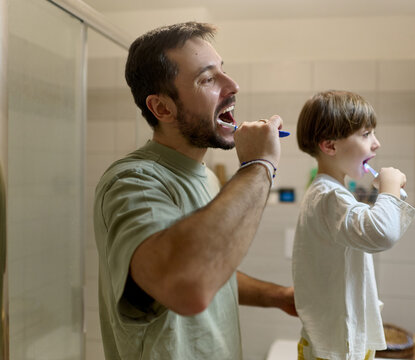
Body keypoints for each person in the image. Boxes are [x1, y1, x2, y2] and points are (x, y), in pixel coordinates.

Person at [93, 22, 296, 360]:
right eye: (207, 79)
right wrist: (259, 166)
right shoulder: (133, 182)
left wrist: (276, 296)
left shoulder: (205, 176)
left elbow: (208, 262)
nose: (233, 85)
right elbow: (186, 284)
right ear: (162, 108)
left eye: (223, 71)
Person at [292, 91, 415, 360]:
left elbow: (376, 224)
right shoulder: (329, 197)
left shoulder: (331, 193)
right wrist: (390, 187)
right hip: (337, 346)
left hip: (336, 341)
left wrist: (390, 191)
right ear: (330, 146)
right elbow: (382, 233)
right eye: (366, 134)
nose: (377, 144)